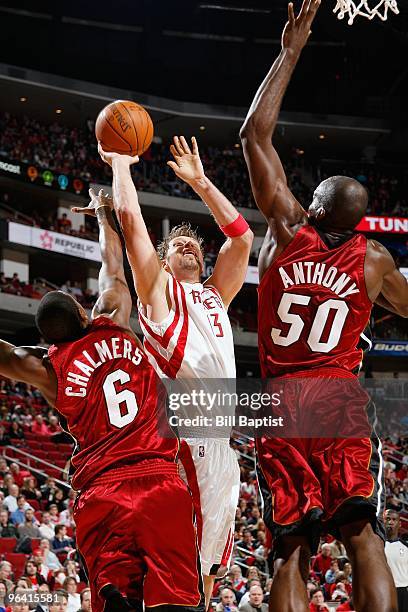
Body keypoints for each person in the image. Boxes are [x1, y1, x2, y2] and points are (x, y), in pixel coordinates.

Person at [240, 1, 407, 611]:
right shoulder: (374, 261)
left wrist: (290, 50)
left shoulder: (287, 229)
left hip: (282, 398)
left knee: (291, 543)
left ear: (312, 206)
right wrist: (371, 310)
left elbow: (253, 135)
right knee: (362, 534)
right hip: (339, 394)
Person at [0, 189, 203, 612]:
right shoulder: (113, 320)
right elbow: (113, 266)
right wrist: (103, 216)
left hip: (102, 494)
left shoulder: (47, 371)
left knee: (115, 601)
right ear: (81, 310)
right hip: (158, 480)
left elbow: (6, 356)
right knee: (177, 603)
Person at [98, 136, 253, 608]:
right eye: (178, 244)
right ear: (163, 263)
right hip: (188, 437)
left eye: (194, 245)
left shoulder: (213, 297)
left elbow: (242, 238)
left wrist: (201, 181)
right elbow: (132, 224)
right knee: (179, 578)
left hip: (223, 447)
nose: (189, 245)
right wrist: (122, 166)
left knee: (206, 576)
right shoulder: (159, 294)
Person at [384, 509, 408, 611]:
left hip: (403, 592)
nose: (390, 522)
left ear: (399, 524)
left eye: (394, 519)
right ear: (382, 521)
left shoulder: (406, 547)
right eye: (388, 519)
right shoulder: (376, 546)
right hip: (384, 591)